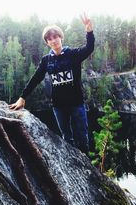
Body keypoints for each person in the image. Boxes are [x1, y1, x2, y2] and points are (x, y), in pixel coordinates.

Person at [9, 14, 94, 154]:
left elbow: (89, 48)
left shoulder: (73, 54)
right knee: (67, 138)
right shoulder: (46, 60)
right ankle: (72, 166)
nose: (53, 40)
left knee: (82, 137)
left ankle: (87, 169)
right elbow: (36, 78)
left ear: (61, 37)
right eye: (49, 39)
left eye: (55, 37)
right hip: (59, 107)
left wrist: (89, 31)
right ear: (47, 42)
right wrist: (22, 97)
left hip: (76, 104)